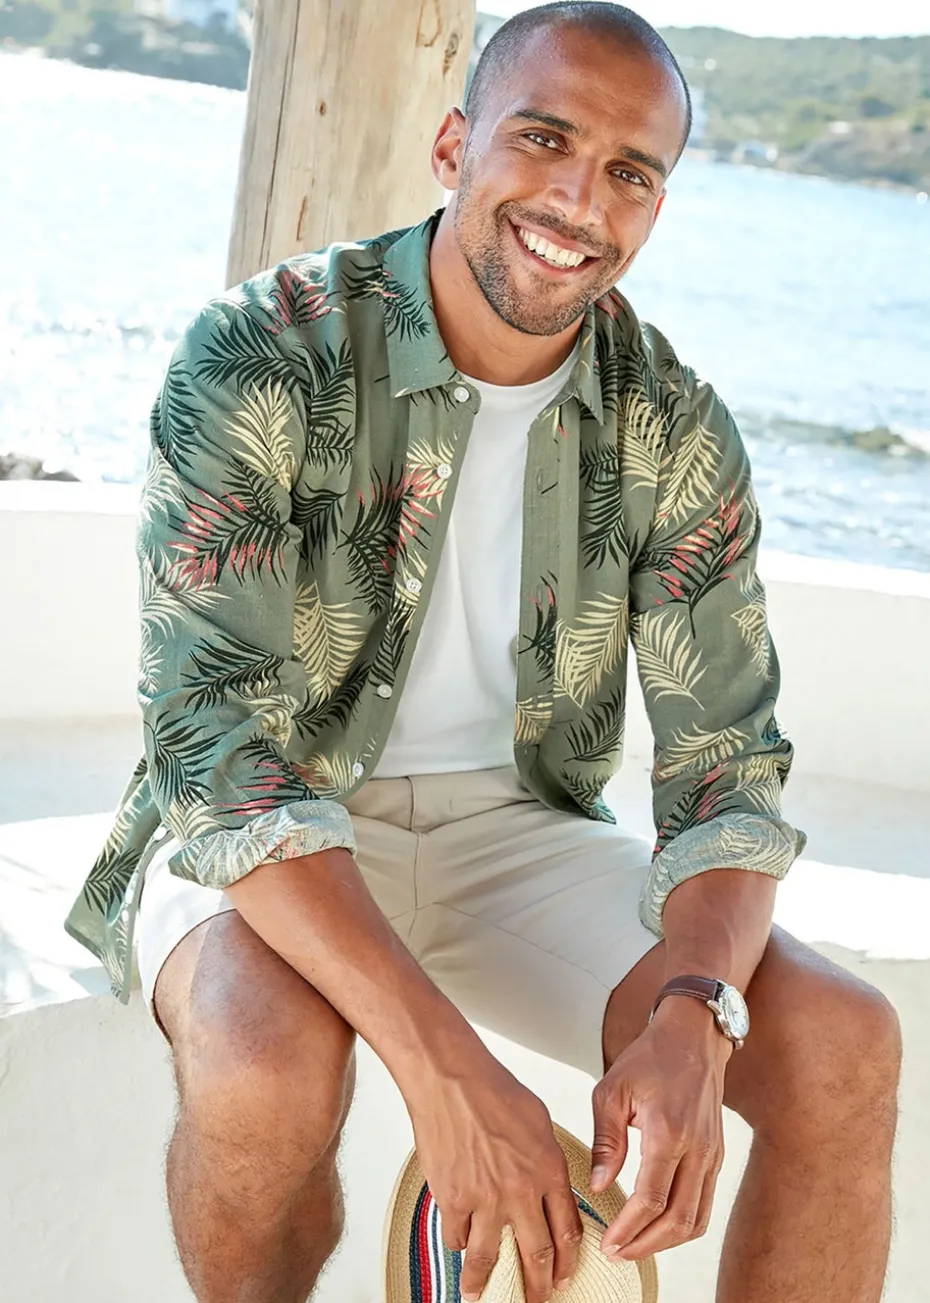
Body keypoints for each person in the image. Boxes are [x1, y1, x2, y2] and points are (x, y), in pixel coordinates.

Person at [65, 4, 901, 1302]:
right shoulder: (263, 350)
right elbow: (220, 752)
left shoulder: (669, 421)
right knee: (264, 1067)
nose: (579, 201)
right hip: (278, 821)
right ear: (455, 144)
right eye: (544, 139)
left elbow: (726, 771)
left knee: (844, 1047)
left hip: (512, 831)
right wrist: (447, 1070)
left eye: (630, 172)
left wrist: (697, 1006)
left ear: (657, 206)